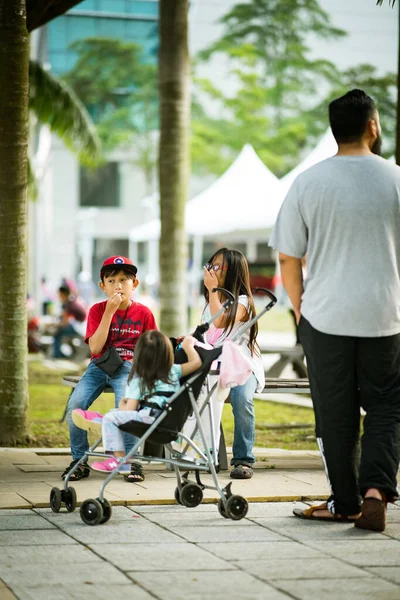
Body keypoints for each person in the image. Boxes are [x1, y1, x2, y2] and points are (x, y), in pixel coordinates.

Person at [269, 89, 400, 532]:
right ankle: (376, 492)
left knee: (335, 413)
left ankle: (344, 503)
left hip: (325, 317)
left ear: (333, 129)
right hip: (387, 315)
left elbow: (288, 257)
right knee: (386, 406)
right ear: (373, 126)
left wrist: (303, 309)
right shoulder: (397, 178)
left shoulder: (308, 182)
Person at [61, 256, 158, 482]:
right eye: (112, 280)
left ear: (134, 284)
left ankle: (130, 461)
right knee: (75, 405)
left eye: (124, 279)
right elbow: (94, 347)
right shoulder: (97, 310)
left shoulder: (144, 313)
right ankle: (79, 461)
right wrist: (109, 313)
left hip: (128, 368)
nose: (118, 285)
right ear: (102, 286)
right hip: (99, 366)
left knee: (126, 406)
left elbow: (152, 348)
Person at [72, 331, 202, 475]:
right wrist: (189, 345)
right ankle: (101, 419)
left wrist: (122, 404)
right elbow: (196, 363)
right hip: (168, 421)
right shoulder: (174, 371)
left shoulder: (139, 380)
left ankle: (119, 459)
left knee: (112, 418)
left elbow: (130, 411)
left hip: (148, 421)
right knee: (114, 416)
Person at [202, 247, 265, 480]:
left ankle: (243, 458)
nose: (212, 270)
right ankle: (204, 452)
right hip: (214, 363)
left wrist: (211, 290)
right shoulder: (211, 300)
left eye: (218, 267)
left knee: (241, 397)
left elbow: (219, 322)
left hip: (243, 364)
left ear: (233, 271)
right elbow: (208, 334)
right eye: (211, 265)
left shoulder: (243, 302)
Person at [53, 285, 88, 358]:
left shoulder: (69, 304)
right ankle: (62, 353)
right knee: (60, 331)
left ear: (63, 294)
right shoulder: (72, 300)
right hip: (81, 325)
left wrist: (53, 325)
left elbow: (64, 322)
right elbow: (64, 316)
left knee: (57, 333)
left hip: (79, 328)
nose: (58, 296)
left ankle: (57, 355)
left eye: (59, 294)